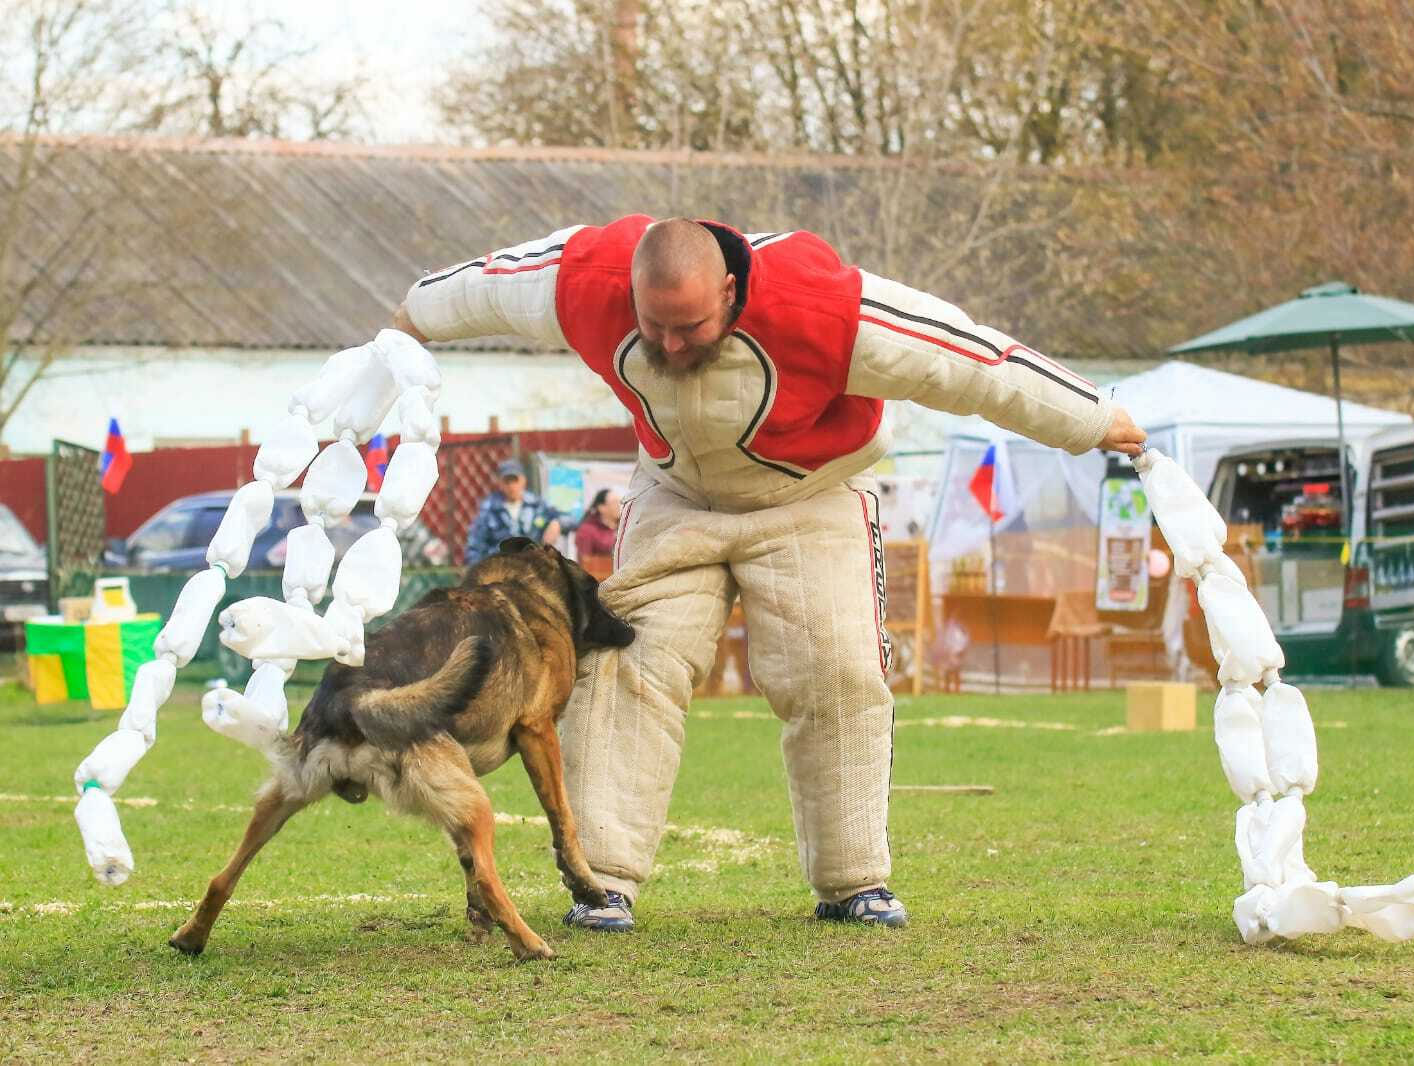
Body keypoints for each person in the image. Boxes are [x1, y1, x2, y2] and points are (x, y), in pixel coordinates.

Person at [394, 215, 1147, 932]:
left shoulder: (824, 306)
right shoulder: (586, 278)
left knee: (838, 671)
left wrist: (1089, 418)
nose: (667, 343)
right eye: (652, 325)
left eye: (687, 327)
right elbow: (488, 285)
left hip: (811, 494)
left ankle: (855, 880)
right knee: (627, 664)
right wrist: (411, 318)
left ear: (729, 292)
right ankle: (602, 882)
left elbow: (969, 361)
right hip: (675, 494)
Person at [464, 458, 564, 564]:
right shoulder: (489, 510)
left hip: (533, 568)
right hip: (501, 569)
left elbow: (570, 519)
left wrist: (557, 523)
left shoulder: (537, 505)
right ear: (500, 483)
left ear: (523, 481)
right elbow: (475, 546)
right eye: (507, 481)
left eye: (515, 480)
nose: (511, 486)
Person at [574, 487, 623, 573]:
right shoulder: (587, 530)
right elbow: (585, 562)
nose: (619, 506)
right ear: (601, 508)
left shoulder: (625, 526)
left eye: (619, 502)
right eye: (614, 503)